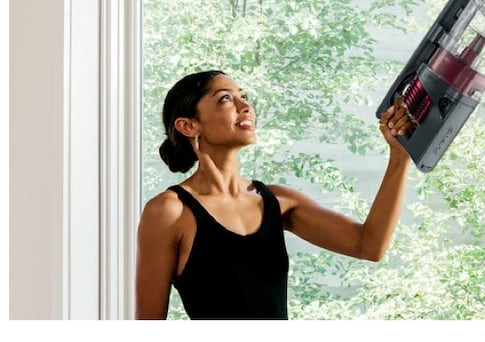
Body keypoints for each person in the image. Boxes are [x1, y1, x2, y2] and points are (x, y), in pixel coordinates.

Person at [135, 70, 414, 319]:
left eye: (244, 97)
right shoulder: (170, 211)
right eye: (225, 99)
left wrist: (399, 154)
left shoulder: (279, 202)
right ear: (189, 126)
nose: (245, 106)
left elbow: (370, 245)